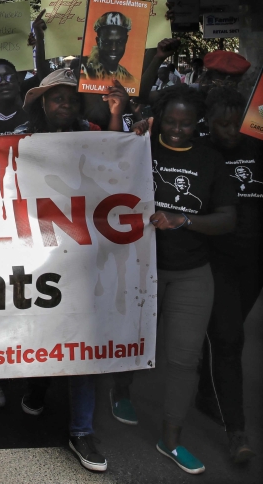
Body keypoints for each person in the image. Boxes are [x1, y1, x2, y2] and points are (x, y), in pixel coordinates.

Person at [113, 85, 236, 475]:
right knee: (133, 338)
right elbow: (107, 165)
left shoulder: (210, 160)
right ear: (159, 118)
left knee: (185, 360)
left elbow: (228, 219)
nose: (178, 129)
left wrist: (184, 220)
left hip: (191, 273)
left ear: (197, 121)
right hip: (141, 267)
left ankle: (171, 439)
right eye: (171, 121)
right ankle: (121, 391)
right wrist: (130, 130)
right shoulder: (140, 146)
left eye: (186, 123)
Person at [12, 69, 126, 473]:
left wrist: (121, 118)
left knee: (83, 339)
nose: (63, 104)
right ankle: (39, 387)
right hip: (37, 253)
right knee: (43, 331)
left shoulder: (95, 132)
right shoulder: (23, 138)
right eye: (55, 97)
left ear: (78, 105)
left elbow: (119, 163)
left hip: (82, 256)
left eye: (69, 98)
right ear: (43, 104)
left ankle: (80, 430)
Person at [193, 87, 261, 464]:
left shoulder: (258, 147)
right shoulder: (202, 151)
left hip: (253, 261)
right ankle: (237, 432)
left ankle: (207, 390)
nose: (231, 131)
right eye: (222, 125)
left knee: (227, 332)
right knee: (229, 339)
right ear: (208, 124)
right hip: (217, 260)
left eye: (237, 124)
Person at [82, 12, 133, 84]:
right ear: (97, 41)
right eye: (106, 42)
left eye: (120, 42)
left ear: (126, 40)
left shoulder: (129, 79)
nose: (113, 48)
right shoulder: (84, 69)